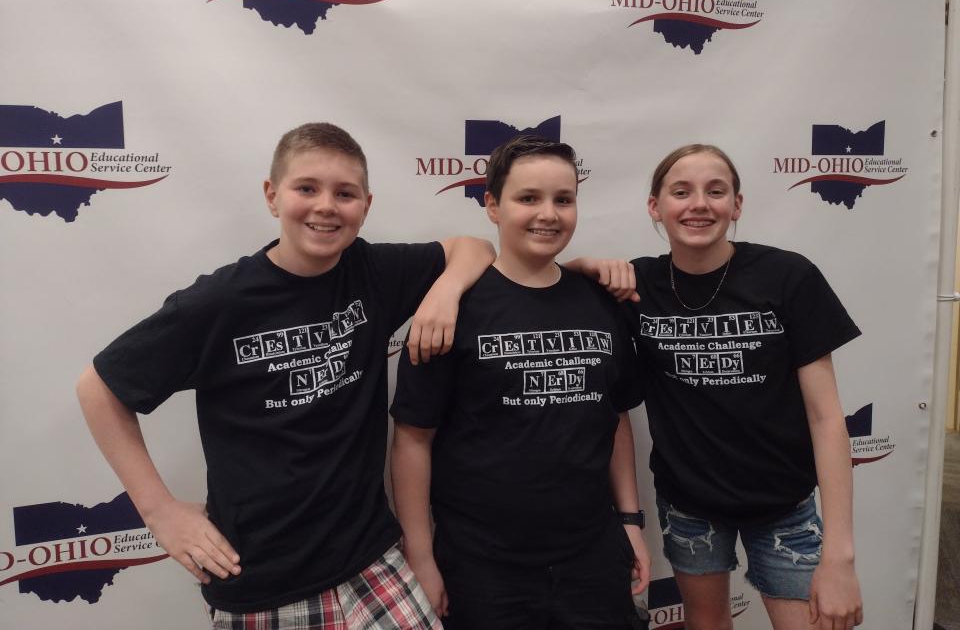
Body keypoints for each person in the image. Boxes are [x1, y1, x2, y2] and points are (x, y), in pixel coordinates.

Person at [76, 122, 495, 629]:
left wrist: (445, 292)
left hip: (373, 559)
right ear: (272, 196)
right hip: (262, 581)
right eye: (306, 188)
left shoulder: (372, 272)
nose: (325, 206)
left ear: (366, 204)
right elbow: (99, 388)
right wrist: (158, 511)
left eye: (344, 193)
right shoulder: (220, 303)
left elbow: (473, 247)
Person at [576, 144, 864, 630]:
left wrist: (840, 556)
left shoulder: (787, 275)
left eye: (716, 191)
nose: (699, 204)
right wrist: (587, 264)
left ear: (737, 205)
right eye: (681, 191)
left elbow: (826, 417)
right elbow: (549, 277)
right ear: (655, 206)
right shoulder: (638, 284)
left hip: (784, 505)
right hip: (689, 504)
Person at [390, 135, 651, 630]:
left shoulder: (600, 302)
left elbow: (615, 418)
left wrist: (631, 522)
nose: (547, 214)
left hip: (591, 557)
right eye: (528, 198)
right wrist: (420, 556)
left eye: (563, 199)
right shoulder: (448, 309)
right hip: (481, 566)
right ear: (492, 205)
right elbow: (412, 438)